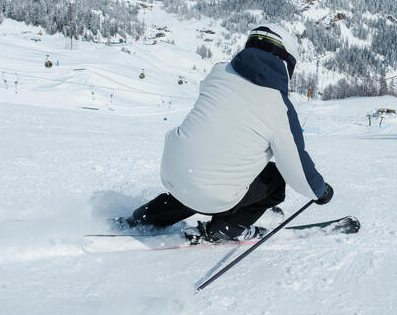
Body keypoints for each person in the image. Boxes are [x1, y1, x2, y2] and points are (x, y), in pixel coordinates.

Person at [119, 23, 333, 242]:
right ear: (287, 62)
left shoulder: (218, 72)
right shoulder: (280, 107)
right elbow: (298, 172)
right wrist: (320, 191)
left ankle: (143, 218)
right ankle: (226, 228)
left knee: (201, 171)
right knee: (275, 181)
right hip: (212, 194)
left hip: (173, 172)